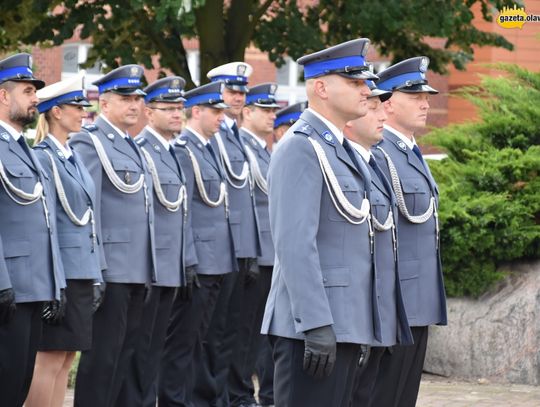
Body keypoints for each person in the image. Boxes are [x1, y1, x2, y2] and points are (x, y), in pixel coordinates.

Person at [261, 38, 385, 407]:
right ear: (320, 87)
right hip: (311, 327)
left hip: (342, 322)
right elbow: (295, 244)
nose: (366, 90)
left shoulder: (338, 148)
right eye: (354, 82)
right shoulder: (301, 146)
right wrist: (316, 324)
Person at [70, 64, 157, 407]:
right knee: (104, 359)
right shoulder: (90, 142)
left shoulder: (131, 145)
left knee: (126, 355)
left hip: (136, 268)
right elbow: (90, 211)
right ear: (104, 104)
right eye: (125, 98)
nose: (134, 105)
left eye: (137, 98)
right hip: (113, 269)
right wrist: (97, 267)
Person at [369, 56, 448, 407]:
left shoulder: (411, 153)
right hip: (396, 299)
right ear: (387, 103)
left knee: (404, 394)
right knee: (385, 393)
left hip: (418, 297)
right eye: (415, 96)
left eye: (426, 96)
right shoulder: (382, 154)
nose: (426, 103)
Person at [25, 72, 103, 407]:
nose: (83, 112)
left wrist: (96, 273)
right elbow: (48, 225)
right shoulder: (44, 156)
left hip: (80, 271)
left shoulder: (70, 156)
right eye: (76, 106)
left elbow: (87, 221)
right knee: (49, 358)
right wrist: (54, 282)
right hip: (62, 274)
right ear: (56, 111)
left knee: (67, 357)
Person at [158, 81, 237, 407]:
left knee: (207, 340)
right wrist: (188, 258)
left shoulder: (207, 148)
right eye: (215, 111)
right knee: (182, 344)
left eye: (222, 111)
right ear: (197, 111)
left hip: (217, 259)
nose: (222, 117)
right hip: (200, 262)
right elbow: (185, 211)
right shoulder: (184, 150)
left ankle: (202, 398)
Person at [117, 76, 191, 407]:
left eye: (180, 108)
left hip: (169, 265)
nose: (178, 114)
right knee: (140, 350)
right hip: (151, 266)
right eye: (169, 108)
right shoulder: (144, 151)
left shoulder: (170, 151)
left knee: (155, 348)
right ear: (150, 112)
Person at [0, 52, 66, 407]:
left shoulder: (26, 150)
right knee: (6, 383)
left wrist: (56, 283)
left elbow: (45, 220)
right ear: (3, 95)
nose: (35, 98)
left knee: (20, 383)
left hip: (33, 286)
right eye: (27, 91)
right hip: (9, 286)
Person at [193, 62, 261, 407]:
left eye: (241, 92)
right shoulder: (213, 136)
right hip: (218, 248)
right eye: (231, 91)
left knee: (231, 330)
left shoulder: (232, 134)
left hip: (238, 246)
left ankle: (223, 394)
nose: (237, 98)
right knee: (210, 331)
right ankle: (210, 395)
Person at [342, 81, 414, 406]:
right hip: (352, 310)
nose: (382, 113)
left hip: (378, 307)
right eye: (372, 106)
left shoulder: (377, 163)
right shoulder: (337, 162)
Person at [228, 83, 279, 407]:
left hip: (269, 251)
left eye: (275, 110)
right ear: (248, 113)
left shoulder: (262, 149)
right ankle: (239, 393)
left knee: (260, 332)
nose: (273, 116)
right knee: (243, 330)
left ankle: (249, 393)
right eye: (266, 110)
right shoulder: (240, 149)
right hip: (253, 252)